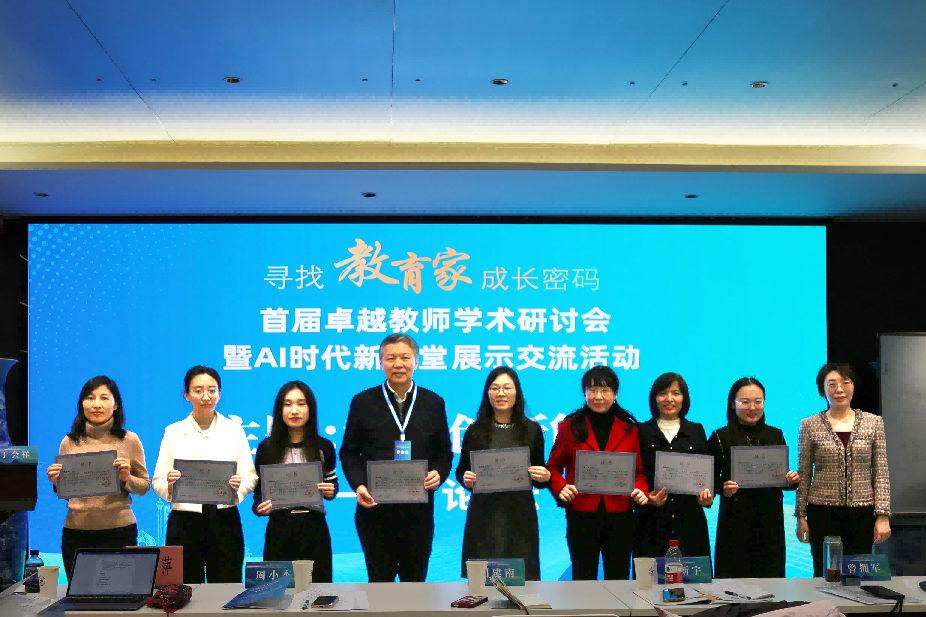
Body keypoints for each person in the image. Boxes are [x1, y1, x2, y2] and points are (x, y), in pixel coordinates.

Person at [339, 333, 453, 582]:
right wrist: (358, 485)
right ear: (381, 363)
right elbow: (349, 451)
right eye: (390, 358)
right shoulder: (363, 402)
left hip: (418, 514)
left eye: (405, 357)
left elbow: (444, 452)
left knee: (416, 584)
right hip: (375, 512)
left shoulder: (434, 402)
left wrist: (439, 473)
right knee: (379, 584)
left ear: (416, 361)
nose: (398, 364)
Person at [152, 365, 258, 584]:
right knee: (186, 586)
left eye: (212, 390)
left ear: (219, 393)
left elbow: (250, 475)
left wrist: (239, 486)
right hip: (184, 521)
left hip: (224, 518)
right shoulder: (173, 431)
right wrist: (170, 487)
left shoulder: (234, 430)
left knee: (226, 585)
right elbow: (158, 480)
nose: (206, 397)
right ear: (187, 394)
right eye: (198, 390)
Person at [546, 365, 648, 580]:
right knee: (583, 578)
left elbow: (639, 472)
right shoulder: (569, 427)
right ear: (584, 393)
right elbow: (552, 468)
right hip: (581, 514)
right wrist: (560, 487)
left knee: (618, 578)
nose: (598, 396)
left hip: (620, 515)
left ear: (615, 394)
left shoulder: (630, 429)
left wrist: (641, 490)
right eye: (592, 390)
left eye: (605, 390)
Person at [46, 376, 149, 579]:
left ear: (116, 405)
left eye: (104, 398)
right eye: (90, 398)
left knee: (120, 593)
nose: (97, 404)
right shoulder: (69, 442)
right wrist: (57, 482)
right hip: (76, 532)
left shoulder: (129, 440)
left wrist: (126, 478)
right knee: (80, 594)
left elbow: (144, 486)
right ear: (82, 403)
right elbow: (66, 493)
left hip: (119, 531)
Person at [455, 367, 551, 580]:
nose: (501, 393)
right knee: (483, 585)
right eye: (495, 388)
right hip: (484, 516)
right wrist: (465, 479)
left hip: (520, 516)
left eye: (507, 387)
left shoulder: (532, 430)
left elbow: (539, 474)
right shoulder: (475, 431)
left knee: (522, 583)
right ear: (487, 393)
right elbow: (461, 470)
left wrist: (545, 477)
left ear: (517, 392)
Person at [796, 363, 891, 576]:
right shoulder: (809, 425)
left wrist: (882, 515)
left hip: (862, 513)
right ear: (823, 390)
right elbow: (804, 472)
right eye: (832, 384)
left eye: (845, 383)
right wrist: (801, 516)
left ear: (853, 386)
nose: (839, 389)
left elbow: (881, 471)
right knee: (826, 574)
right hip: (822, 513)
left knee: (858, 577)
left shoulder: (874, 423)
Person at [708, 377, 800, 578]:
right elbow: (708, 479)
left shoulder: (776, 434)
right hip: (734, 523)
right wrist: (722, 488)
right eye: (745, 402)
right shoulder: (720, 437)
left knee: (772, 581)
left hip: (770, 523)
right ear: (733, 404)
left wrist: (792, 480)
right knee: (732, 582)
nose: (752, 407)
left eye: (758, 402)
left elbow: (781, 477)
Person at [252, 381, 338, 582]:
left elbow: (332, 483)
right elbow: (259, 491)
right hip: (279, 528)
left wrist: (331, 490)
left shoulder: (324, 446)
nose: (294, 410)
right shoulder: (266, 448)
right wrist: (258, 507)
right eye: (288, 404)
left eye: (301, 403)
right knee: (275, 593)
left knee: (318, 592)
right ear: (279, 410)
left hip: (314, 528)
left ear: (310, 408)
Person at [634, 373, 713, 565]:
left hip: (690, 523)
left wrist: (708, 497)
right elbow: (635, 473)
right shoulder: (641, 431)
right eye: (663, 393)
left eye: (676, 393)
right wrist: (647, 497)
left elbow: (707, 473)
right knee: (648, 581)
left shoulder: (697, 430)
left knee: (694, 581)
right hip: (650, 523)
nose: (669, 399)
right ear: (654, 398)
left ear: (684, 398)